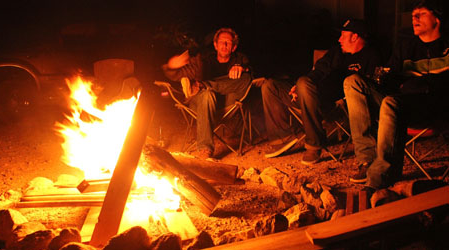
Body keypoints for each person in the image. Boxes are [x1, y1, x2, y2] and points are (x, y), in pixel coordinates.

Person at [344, 0, 449, 190]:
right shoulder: (405, 47)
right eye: (413, 15)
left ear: (437, 19)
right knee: (353, 82)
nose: (414, 18)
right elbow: (392, 77)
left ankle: (380, 178)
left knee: (392, 102)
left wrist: (420, 84)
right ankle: (367, 160)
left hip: (436, 105)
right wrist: (382, 78)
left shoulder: (447, 47)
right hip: (403, 103)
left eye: (422, 14)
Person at [261, 19, 382, 163]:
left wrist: (304, 86)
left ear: (355, 37)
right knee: (270, 86)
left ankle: (314, 145)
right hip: (310, 96)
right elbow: (318, 70)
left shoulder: (371, 56)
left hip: (336, 105)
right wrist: (298, 87)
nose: (339, 39)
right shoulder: (337, 51)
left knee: (303, 84)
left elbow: (369, 88)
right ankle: (281, 139)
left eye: (343, 35)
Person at [162, 27, 252, 159]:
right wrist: (171, 66)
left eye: (228, 42)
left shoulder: (240, 59)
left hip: (227, 105)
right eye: (221, 42)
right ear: (215, 45)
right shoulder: (203, 61)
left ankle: (204, 85)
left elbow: (255, 74)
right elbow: (175, 75)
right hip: (201, 105)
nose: (224, 45)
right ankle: (205, 149)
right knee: (207, 95)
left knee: (246, 77)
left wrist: (243, 68)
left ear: (233, 47)